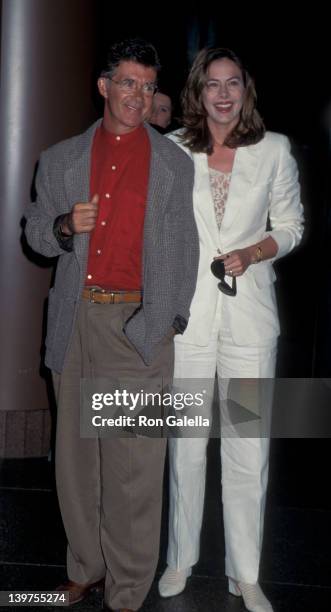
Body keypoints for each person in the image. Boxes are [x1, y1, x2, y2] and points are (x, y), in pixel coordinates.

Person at [25, 38, 199, 612]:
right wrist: (64, 226)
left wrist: (166, 321)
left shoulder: (172, 162)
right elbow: (35, 237)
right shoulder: (61, 159)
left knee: (133, 471)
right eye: (128, 83)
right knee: (76, 462)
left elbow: (184, 251)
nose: (139, 96)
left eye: (148, 86)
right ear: (105, 87)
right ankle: (85, 569)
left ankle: (127, 592)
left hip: (137, 325)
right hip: (74, 324)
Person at [158, 47, 304, 612]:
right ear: (198, 91)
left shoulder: (274, 151)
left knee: (248, 448)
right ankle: (180, 558)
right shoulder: (172, 149)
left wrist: (256, 249)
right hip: (188, 320)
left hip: (249, 324)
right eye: (212, 84)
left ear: (246, 90)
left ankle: (245, 574)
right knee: (186, 445)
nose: (223, 94)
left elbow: (291, 225)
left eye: (233, 84)